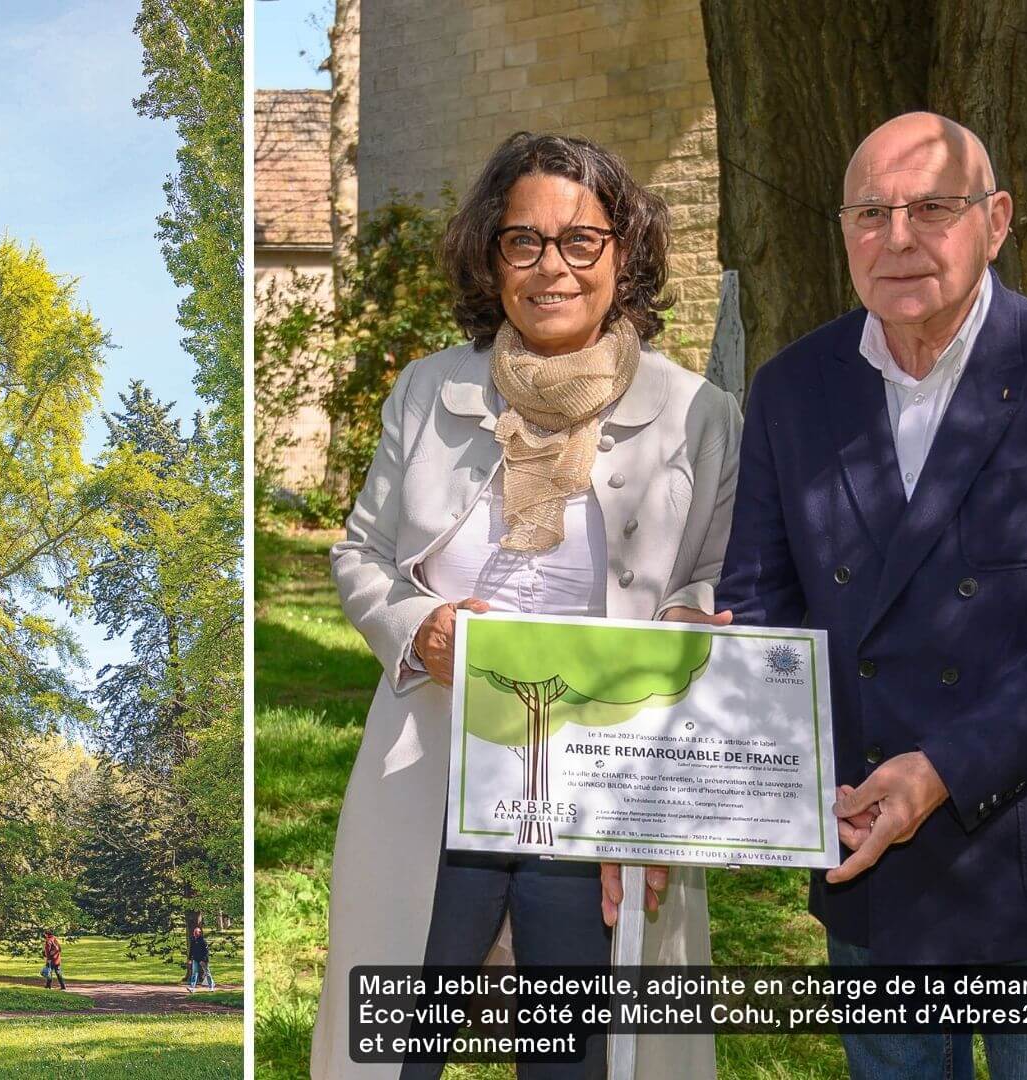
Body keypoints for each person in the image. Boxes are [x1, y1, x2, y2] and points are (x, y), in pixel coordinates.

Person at [716, 112, 1027, 1079]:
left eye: (932, 207)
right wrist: (722, 692)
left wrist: (946, 767)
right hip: (868, 858)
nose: (898, 239)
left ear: (997, 218)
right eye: (869, 214)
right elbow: (760, 601)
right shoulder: (793, 389)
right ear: (840, 231)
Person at [313, 131, 740, 1080]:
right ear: (491, 257)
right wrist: (415, 628)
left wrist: (684, 657)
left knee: (583, 1061)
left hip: (599, 789)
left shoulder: (696, 414)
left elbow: (707, 584)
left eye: (581, 240)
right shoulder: (429, 392)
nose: (553, 266)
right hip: (432, 768)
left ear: (623, 253)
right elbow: (361, 552)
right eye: (524, 241)